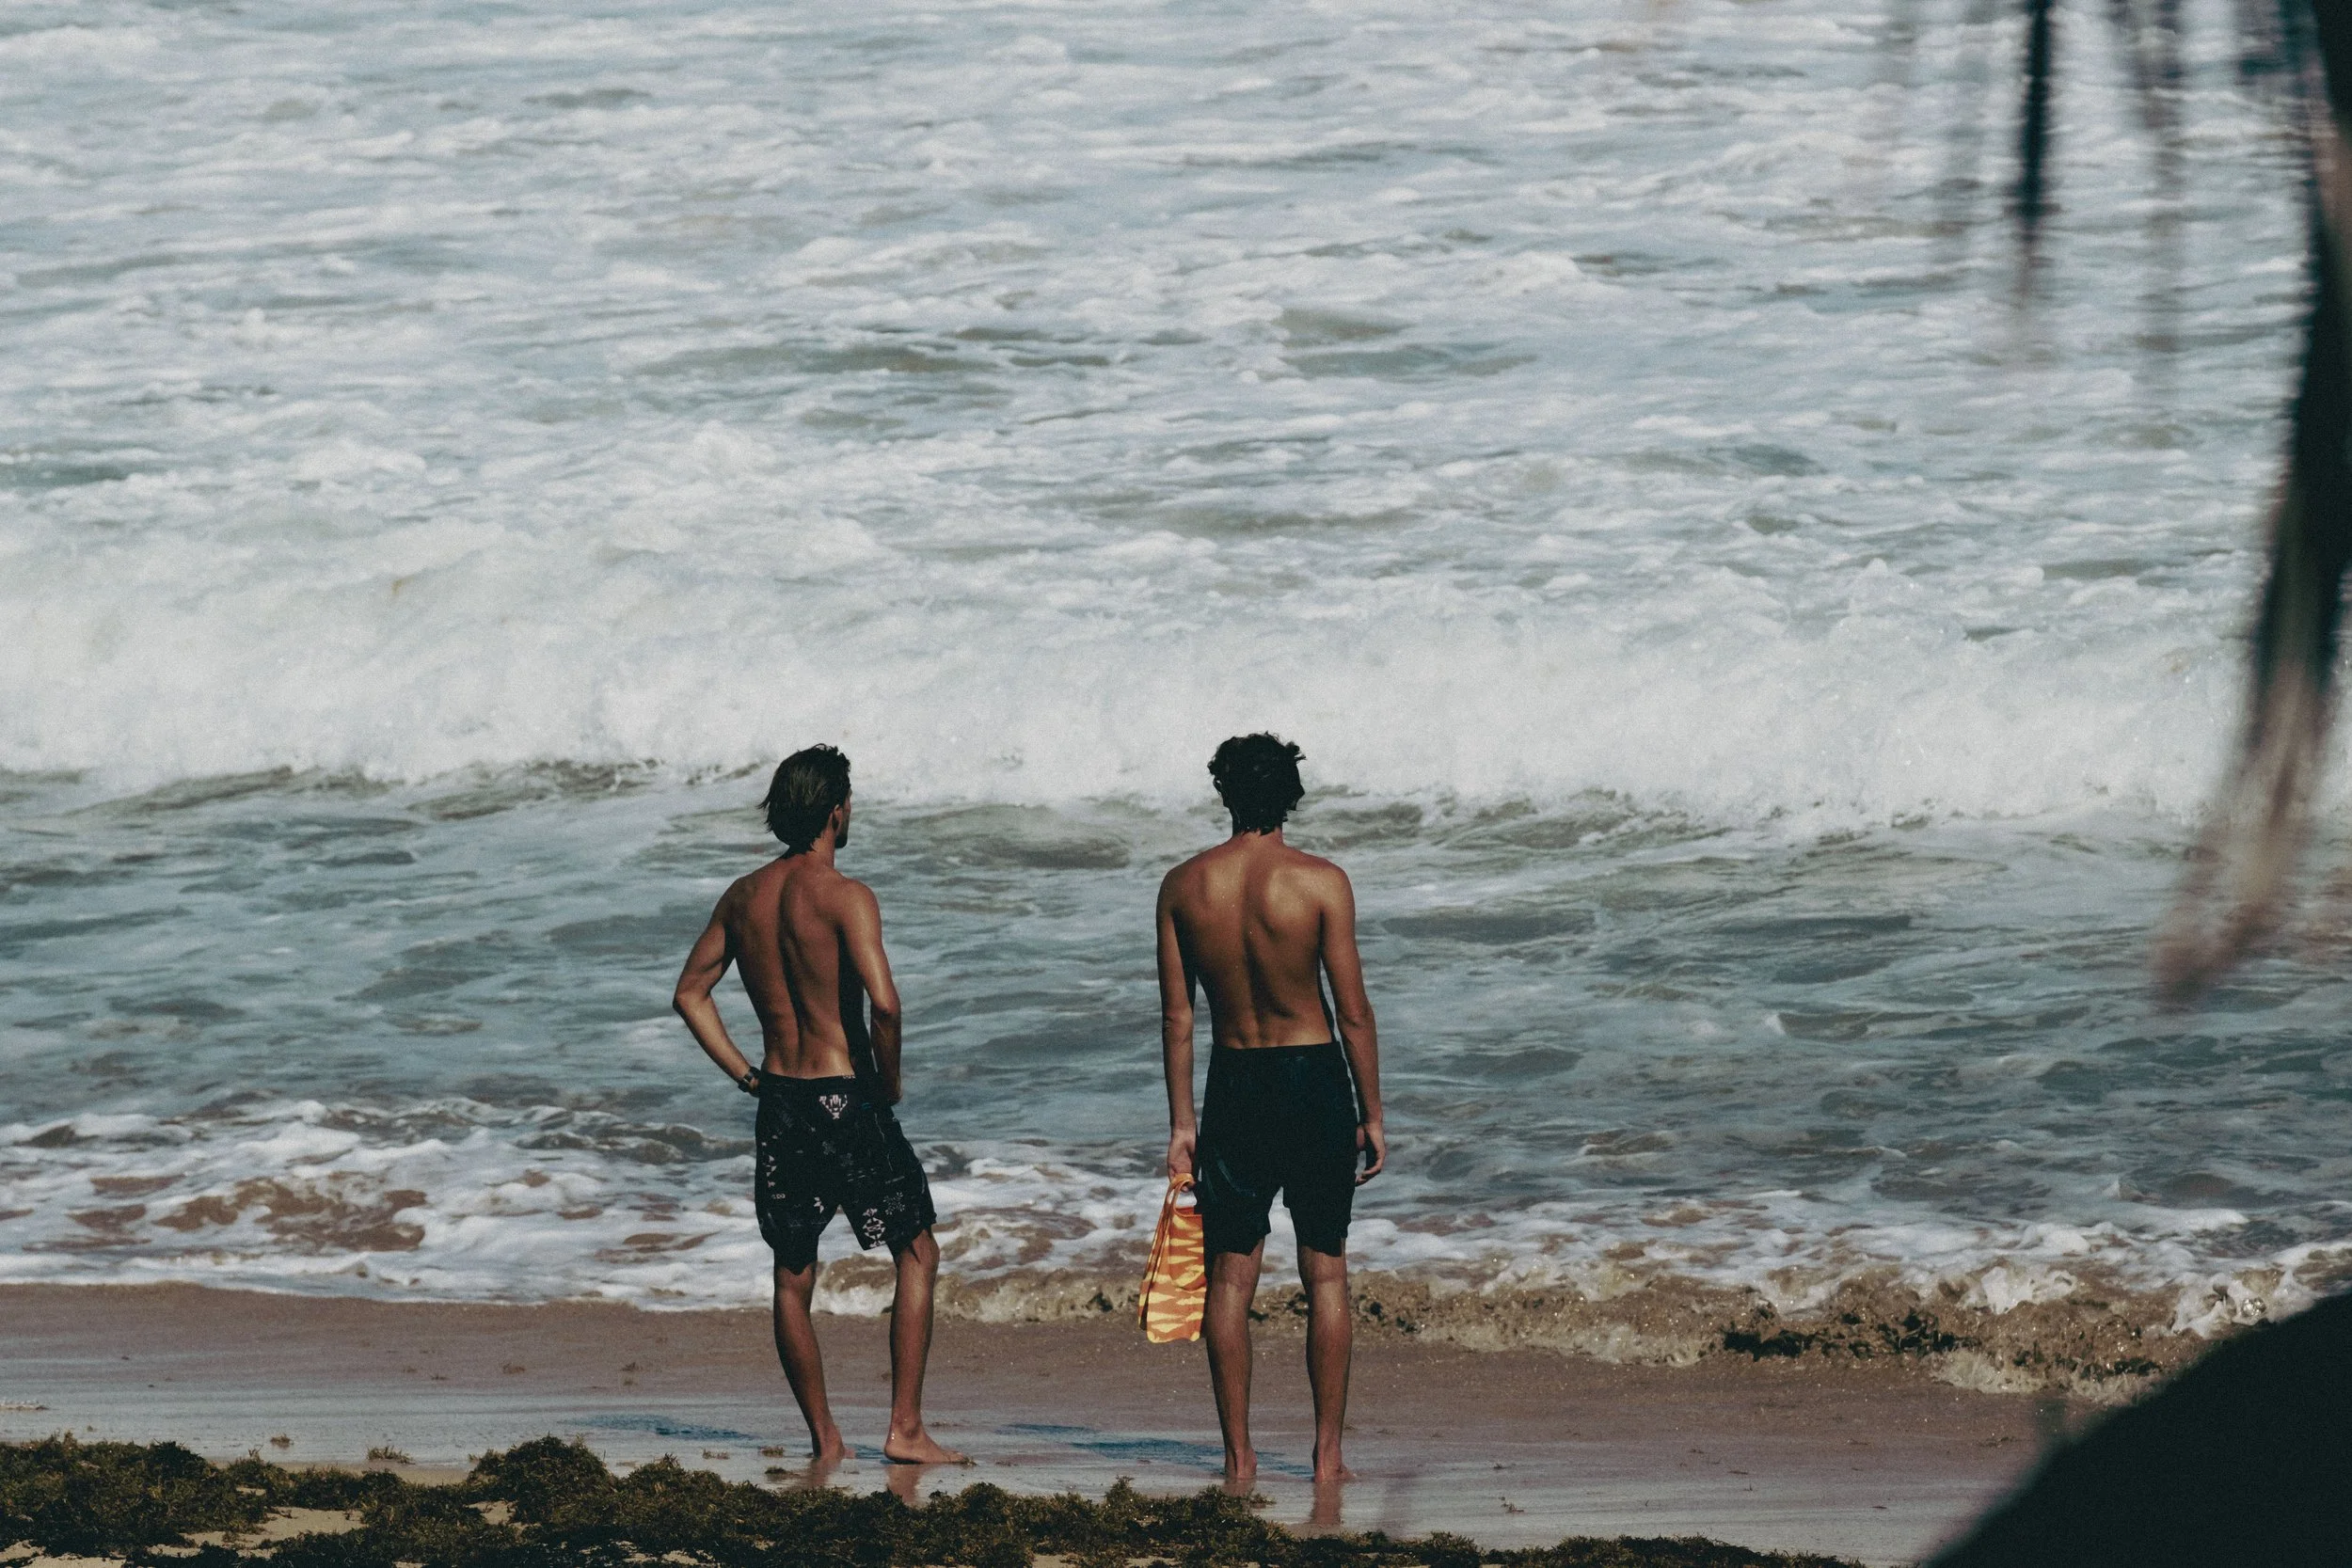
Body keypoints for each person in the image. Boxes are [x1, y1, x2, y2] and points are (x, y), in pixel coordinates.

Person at [672, 744, 964, 1467]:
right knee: (917, 1250)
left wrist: (747, 1076)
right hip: (844, 1097)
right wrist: (887, 1085)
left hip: (781, 1100)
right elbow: (886, 1007)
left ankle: (826, 1439)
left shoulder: (744, 896)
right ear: (836, 809)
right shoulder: (845, 896)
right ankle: (904, 1426)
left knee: (792, 1275)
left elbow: (689, 993)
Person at [1156, 733, 1385, 1484]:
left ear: (1225, 793)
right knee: (1325, 1273)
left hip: (1235, 1084)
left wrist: (1182, 1124)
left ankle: (1239, 1456)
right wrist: (1372, 1111)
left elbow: (1179, 1020)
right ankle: (1326, 1456)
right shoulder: (1321, 883)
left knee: (1230, 1276)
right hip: (1312, 1080)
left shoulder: (1184, 887)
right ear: (1291, 792)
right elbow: (1352, 1013)